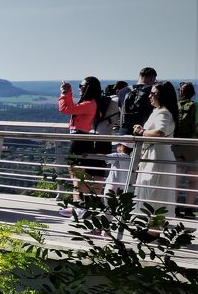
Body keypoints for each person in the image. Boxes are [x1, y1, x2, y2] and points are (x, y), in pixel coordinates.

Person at [58, 76, 107, 209]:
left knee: (76, 174)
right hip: (81, 139)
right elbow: (73, 108)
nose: (80, 88)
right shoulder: (91, 103)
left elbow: (66, 109)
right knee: (77, 174)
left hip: (79, 141)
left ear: (89, 88)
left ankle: (78, 205)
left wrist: (64, 93)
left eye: (82, 86)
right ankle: (79, 205)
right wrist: (69, 93)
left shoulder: (89, 104)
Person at [133, 81, 178, 222]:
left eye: (154, 93)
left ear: (162, 95)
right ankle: (152, 230)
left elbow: (160, 132)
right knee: (153, 192)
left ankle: (153, 232)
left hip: (157, 157)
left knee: (155, 193)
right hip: (155, 155)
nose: (150, 96)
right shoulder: (159, 111)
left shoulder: (163, 113)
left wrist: (142, 131)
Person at [173, 81, 196, 218]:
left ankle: (175, 208)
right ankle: (189, 210)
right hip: (193, 146)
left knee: (175, 179)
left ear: (180, 92)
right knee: (193, 180)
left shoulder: (175, 106)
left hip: (176, 145)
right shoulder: (196, 106)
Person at [119, 67, 157, 136]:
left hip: (124, 131)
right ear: (152, 78)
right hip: (142, 131)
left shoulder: (122, 91)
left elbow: (121, 110)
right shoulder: (153, 91)